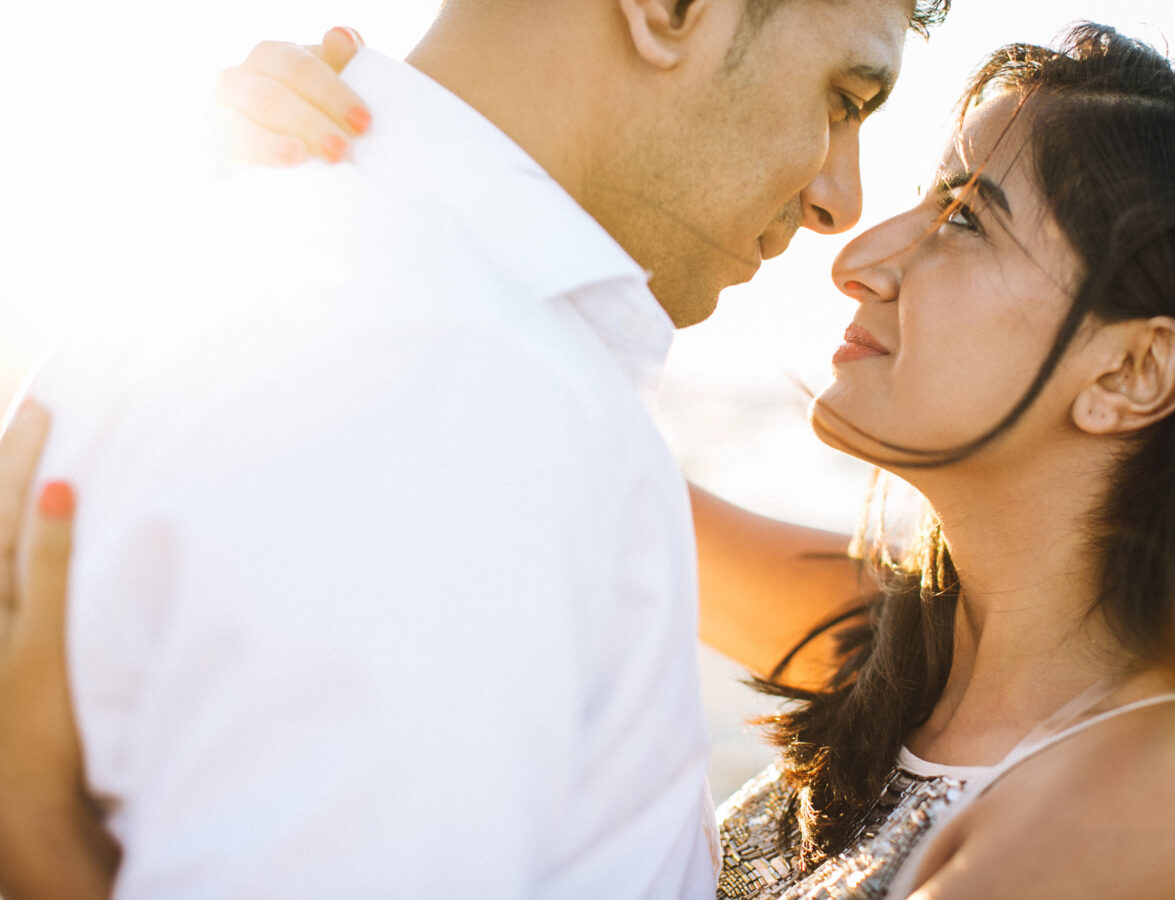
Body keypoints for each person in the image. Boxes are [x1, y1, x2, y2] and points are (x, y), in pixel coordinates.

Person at [3, 16, 1175, 900]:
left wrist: (51, 861)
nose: (859, 245)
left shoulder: (1163, 798)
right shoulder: (902, 649)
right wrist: (334, 189)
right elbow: (525, 451)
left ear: (1130, 372)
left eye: (962, 218)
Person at [0, 1, 943, 897]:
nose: (840, 203)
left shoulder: (267, 264)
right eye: (843, 99)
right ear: (669, 10)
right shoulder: (461, 383)